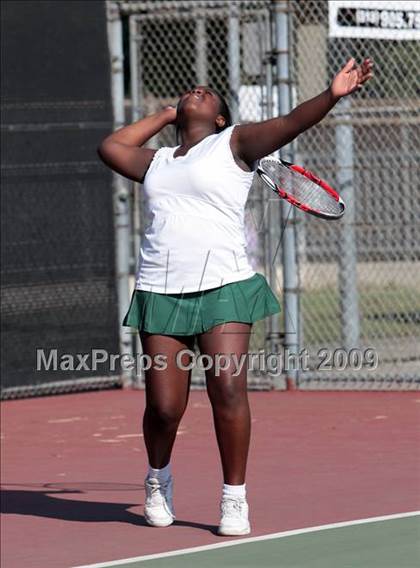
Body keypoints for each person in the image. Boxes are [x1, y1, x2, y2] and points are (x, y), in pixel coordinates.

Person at [97, 57, 373, 536]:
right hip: (161, 291)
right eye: (190, 91)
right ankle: (158, 479)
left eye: (207, 92)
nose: (197, 89)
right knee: (164, 408)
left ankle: (234, 498)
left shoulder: (235, 143)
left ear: (221, 118)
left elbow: (291, 122)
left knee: (227, 389)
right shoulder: (157, 161)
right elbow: (111, 147)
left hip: (226, 286)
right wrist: (165, 115)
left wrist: (332, 95)